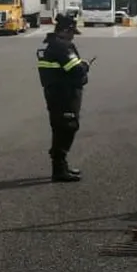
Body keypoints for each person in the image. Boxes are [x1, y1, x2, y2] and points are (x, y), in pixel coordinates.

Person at [36, 13, 90, 182]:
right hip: (63, 95)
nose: (73, 35)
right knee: (66, 127)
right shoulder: (62, 47)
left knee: (62, 128)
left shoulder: (54, 45)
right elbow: (76, 69)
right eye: (72, 32)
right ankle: (59, 169)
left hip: (58, 93)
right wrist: (84, 65)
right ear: (65, 30)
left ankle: (61, 166)